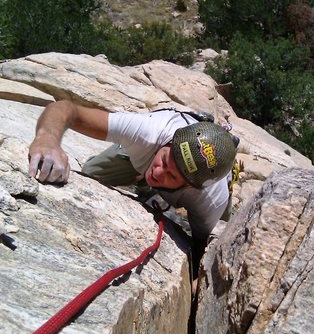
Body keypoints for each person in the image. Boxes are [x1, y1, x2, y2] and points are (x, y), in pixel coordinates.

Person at [28, 100, 239, 265]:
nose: (159, 171)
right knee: (91, 171)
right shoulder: (149, 132)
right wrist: (47, 139)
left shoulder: (210, 199)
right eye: (164, 159)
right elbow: (66, 109)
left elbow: (201, 244)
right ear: (168, 141)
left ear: (190, 187)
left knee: (221, 229)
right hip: (143, 156)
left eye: (172, 175)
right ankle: (147, 187)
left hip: (205, 192)